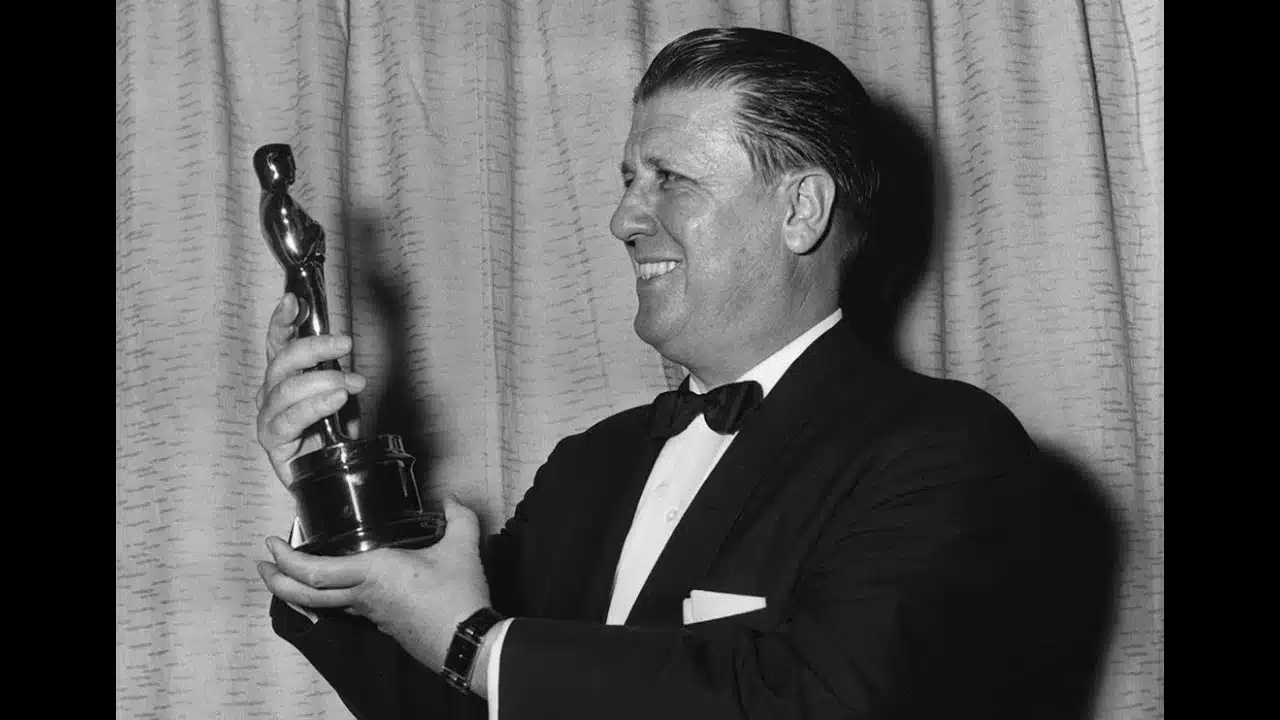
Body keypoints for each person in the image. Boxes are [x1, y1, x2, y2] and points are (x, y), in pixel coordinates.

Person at [256, 26, 1112, 720]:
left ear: (801, 209)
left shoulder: (946, 451)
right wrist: (329, 481)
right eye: (630, 179)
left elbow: (827, 701)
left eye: (670, 180)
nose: (624, 219)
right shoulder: (588, 466)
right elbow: (448, 699)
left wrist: (478, 646)